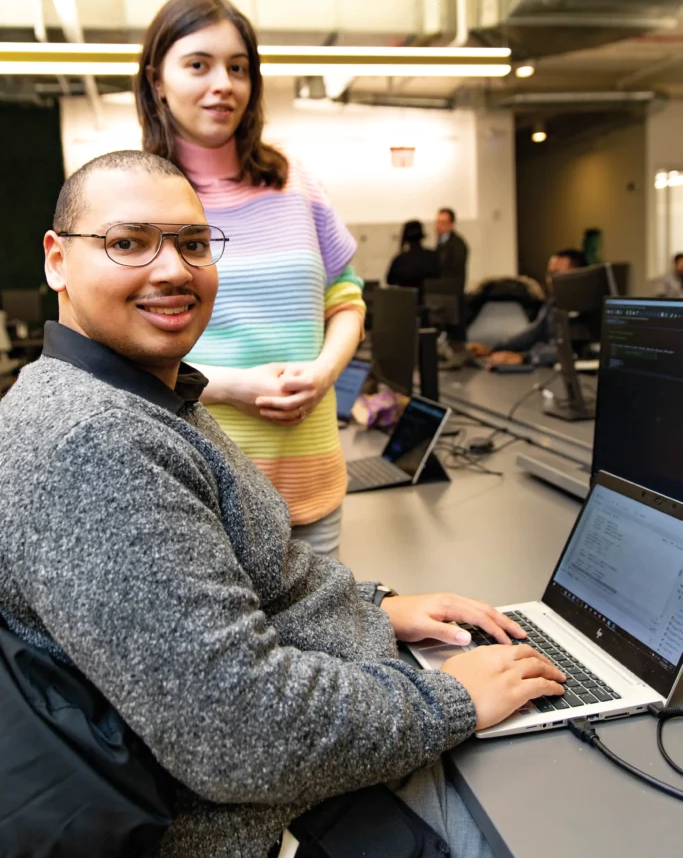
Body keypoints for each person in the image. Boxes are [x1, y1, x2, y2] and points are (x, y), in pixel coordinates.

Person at [0, 151, 566, 858]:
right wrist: (450, 700)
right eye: (128, 242)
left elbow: (238, 585)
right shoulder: (99, 442)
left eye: (192, 243)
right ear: (57, 261)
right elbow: (238, 731)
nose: (172, 268)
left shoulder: (144, 396)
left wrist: (375, 609)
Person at [135, 0, 365, 558]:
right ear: (157, 81)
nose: (224, 84)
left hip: (310, 478)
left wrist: (323, 371)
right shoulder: (136, 196)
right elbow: (118, 351)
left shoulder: (295, 182)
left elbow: (347, 298)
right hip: (200, 486)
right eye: (198, 65)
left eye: (238, 67)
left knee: (329, 639)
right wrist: (234, 387)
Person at [468, 249, 587, 369]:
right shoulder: (554, 303)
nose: (550, 280)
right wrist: (492, 350)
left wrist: (525, 358)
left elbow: (572, 350)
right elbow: (532, 334)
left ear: (578, 275)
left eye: (556, 274)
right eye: (549, 274)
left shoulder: (588, 308)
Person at [386, 219, 440, 302]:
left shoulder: (400, 260)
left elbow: (390, 280)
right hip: (430, 306)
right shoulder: (432, 257)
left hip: (406, 305)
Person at [436, 207, 469, 295]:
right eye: (437, 222)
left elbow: (455, 272)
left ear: (451, 224)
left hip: (451, 293)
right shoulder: (441, 242)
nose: (438, 225)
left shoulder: (458, 245)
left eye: (443, 222)